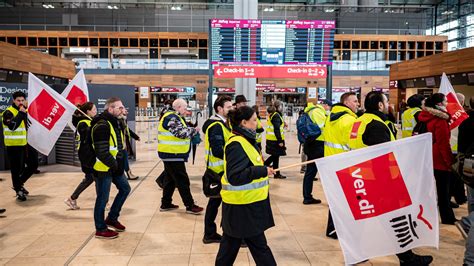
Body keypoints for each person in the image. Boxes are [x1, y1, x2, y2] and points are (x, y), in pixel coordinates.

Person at [348, 91, 433, 266]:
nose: (388, 105)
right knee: (396, 221)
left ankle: (359, 252)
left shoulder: (359, 121)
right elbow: (383, 158)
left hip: (362, 177)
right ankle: (407, 258)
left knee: (375, 221)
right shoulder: (376, 124)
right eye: (386, 102)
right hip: (379, 181)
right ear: (380, 105)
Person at [215, 106, 277, 266]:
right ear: (244, 122)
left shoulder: (245, 140)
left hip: (244, 205)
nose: (258, 123)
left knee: (230, 246)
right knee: (258, 247)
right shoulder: (236, 144)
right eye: (255, 120)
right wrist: (261, 170)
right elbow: (235, 177)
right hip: (243, 207)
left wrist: (264, 169)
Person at [91, 97, 131, 239]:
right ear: (110, 109)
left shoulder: (115, 122)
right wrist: (115, 166)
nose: (123, 109)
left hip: (114, 167)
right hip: (103, 168)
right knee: (102, 198)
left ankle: (112, 218)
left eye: (122, 107)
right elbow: (102, 152)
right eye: (119, 107)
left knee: (125, 189)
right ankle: (100, 228)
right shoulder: (102, 125)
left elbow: (117, 146)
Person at [323, 92, 359, 239]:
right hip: (344, 165)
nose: (358, 104)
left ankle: (333, 229)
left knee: (336, 198)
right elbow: (354, 145)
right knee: (345, 200)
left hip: (331, 163)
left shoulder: (330, 118)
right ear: (346, 103)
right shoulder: (350, 121)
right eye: (355, 101)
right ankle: (337, 229)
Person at [158, 98, 203, 214]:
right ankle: (190, 205)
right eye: (184, 107)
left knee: (170, 180)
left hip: (171, 153)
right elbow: (180, 133)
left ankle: (166, 203)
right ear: (178, 107)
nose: (186, 109)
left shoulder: (174, 116)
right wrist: (194, 130)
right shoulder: (171, 117)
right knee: (182, 180)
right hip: (172, 153)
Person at [418, 93, 457, 224]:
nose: (447, 104)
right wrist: (450, 162)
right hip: (439, 160)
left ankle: (423, 216)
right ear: (439, 104)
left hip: (425, 157)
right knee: (443, 192)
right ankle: (447, 218)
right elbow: (443, 144)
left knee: (426, 190)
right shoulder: (440, 120)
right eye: (445, 101)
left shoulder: (424, 116)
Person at [201, 95, 233, 244]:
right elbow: (217, 151)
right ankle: (210, 234)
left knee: (217, 204)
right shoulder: (216, 126)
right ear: (219, 109)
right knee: (215, 204)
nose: (231, 108)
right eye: (228, 107)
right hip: (218, 172)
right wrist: (234, 156)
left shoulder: (224, 124)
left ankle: (211, 233)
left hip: (223, 170)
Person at [2, 91, 37, 201]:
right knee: (16, 169)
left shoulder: (25, 111)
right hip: (14, 146)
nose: (21, 102)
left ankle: (18, 184)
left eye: (22, 100)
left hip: (25, 144)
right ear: (13, 100)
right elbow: (12, 127)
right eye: (18, 100)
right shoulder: (8, 112)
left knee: (33, 164)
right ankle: (18, 190)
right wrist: (21, 114)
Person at [64, 102, 97, 210]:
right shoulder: (83, 123)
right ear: (87, 111)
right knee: (97, 177)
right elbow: (87, 138)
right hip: (86, 155)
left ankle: (72, 198)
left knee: (89, 178)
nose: (96, 111)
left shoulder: (88, 121)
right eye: (94, 109)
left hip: (87, 154)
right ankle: (103, 202)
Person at [302, 101, 328, 205]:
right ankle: (307, 197)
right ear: (325, 105)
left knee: (310, 172)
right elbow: (323, 128)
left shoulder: (311, 111)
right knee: (316, 172)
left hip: (312, 143)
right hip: (317, 144)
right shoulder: (317, 111)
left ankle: (307, 196)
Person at [458, 96, 474, 213]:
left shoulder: (465, 123)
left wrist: (461, 163)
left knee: (471, 197)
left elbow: (461, 147)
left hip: (469, 163)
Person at [264, 100, 287, 179]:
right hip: (275, 140)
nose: (281, 107)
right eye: (280, 106)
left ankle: (276, 173)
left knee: (275, 156)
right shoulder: (276, 115)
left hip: (272, 139)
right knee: (275, 156)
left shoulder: (275, 115)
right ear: (278, 107)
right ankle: (266, 165)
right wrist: (280, 141)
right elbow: (276, 129)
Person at [155, 99, 174, 189]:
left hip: (166, 146)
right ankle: (161, 180)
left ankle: (165, 181)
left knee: (169, 167)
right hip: (168, 147)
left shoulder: (164, 112)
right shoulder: (169, 114)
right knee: (170, 167)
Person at [119, 108, 141, 180]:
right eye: (125, 110)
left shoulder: (123, 119)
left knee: (125, 158)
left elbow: (128, 130)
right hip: (120, 144)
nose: (127, 111)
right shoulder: (119, 120)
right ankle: (127, 174)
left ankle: (128, 173)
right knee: (124, 159)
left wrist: (136, 137)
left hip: (124, 142)